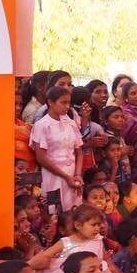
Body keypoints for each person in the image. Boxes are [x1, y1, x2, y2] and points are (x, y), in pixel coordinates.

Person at [30, 85, 84, 213]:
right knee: (54, 212)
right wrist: (66, 177)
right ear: (50, 102)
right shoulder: (42, 125)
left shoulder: (70, 123)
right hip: (53, 176)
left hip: (72, 175)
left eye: (68, 103)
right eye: (63, 102)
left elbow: (79, 151)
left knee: (74, 211)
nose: (67, 106)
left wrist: (77, 174)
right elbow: (41, 157)